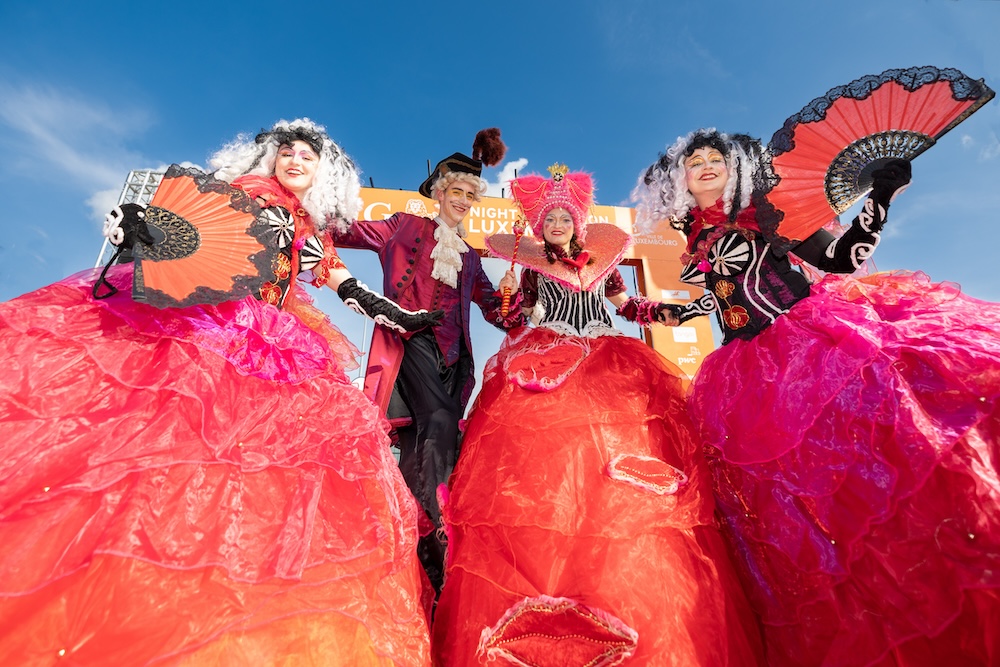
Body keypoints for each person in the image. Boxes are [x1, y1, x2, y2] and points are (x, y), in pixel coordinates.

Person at [0, 118, 434, 665]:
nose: (295, 160)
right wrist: (142, 227)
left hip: (280, 341)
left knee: (270, 468)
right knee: (187, 440)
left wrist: (396, 312)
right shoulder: (248, 194)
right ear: (270, 159)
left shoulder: (310, 228)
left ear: (324, 172)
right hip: (220, 325)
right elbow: (193, 227)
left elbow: (342, 282)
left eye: (307, 155)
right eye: (288, 152)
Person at [633, 129, 1000, 666]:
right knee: (790, 510)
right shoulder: (697, 238)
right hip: (745, 375)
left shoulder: (771, 216)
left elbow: (844, 259)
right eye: (696, 163)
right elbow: (718, 301)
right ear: (682, 180)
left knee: (874, 456)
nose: (706, 166)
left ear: (735, 170)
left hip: (812, 344)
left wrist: (880, 196)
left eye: (717, 159)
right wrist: (659, 312)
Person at [431, 165, 765, 666]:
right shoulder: (530, 267)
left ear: (576, 222)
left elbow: (628, 307)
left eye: (565, 216)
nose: (558, 223)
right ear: (540, 227)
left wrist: (669, 312)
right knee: (549, 477)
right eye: (551, 219)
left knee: (620, 478)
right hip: (547, 365)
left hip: (610, 367)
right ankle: (555, 581)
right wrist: (507, 296)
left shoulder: (603, 263)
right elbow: (510, 319)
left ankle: (620, 591)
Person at [330, 129, 514, 594]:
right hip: (409, 339)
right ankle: (438, 542)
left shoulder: (470, 258)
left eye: (472, 195)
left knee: (428, 439)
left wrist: (519, 301)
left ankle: (410, 550)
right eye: (458, 191)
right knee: (439, 419)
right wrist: (307, 209)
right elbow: (346, 230)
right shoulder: (402, 227)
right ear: (439, 192)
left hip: (455, 360)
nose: (465, 200)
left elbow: (496, 311)